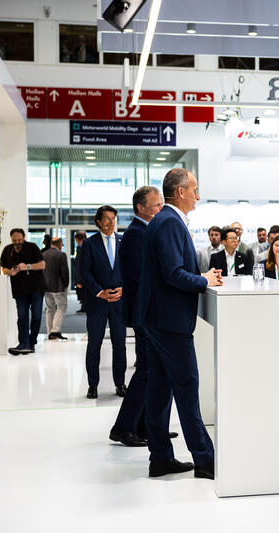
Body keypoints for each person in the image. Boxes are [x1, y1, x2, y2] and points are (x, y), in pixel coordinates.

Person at [135, 168, 222, 480]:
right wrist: (204, 279)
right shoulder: (170, 222)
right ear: (181, 192)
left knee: (159, 390)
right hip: (169, 322)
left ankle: (160, 458)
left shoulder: (165, 221)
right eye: (195, 190)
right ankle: (206, 459)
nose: (198, 196)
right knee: (186, 387)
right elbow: (173, 273)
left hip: (159, 319)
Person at [111, 185, 166, 448]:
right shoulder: (136, 234)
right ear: (140, 208)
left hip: (149, 311)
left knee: (151, 369)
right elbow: (139, 275)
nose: (160, 209)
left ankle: (143, 425)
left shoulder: (145, 231)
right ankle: (124, 427)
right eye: (156, 205)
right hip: (143, 313)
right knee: (145, 369)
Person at [81, 205, 127, 399]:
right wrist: (100, 292)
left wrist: (123, 288)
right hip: (97, 303)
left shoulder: (123, 242)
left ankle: (120, 383)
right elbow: (84, 273)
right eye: (107, 218)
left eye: (113, 218)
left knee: (120, 345)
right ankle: (93, 385)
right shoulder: (89, 244)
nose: (111, 222)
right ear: (98, 221)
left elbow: (130, 269)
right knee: (94, 345)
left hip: (118, 302)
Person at [1, 228, 46, 355]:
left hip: (36, 287)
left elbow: (42, 265)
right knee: (22, 316)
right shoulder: (7, 250)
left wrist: (28, 266)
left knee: (36, 316)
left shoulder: (32, 247)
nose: (17, 242)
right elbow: (3, 267)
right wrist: (10, 271)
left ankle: (31, 342)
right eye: (14, 240)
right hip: (19, 289)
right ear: (11, 239)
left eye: (19, 240)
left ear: (24, 237)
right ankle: (23, 343)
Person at [42, 236, 69, 340]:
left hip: (46, 287)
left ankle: (50, 332)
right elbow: (64, 272)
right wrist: (66, 284)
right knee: (62, 307)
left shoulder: (43, 254)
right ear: (59, 243)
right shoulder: (61, 255)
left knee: (50, 309)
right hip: (58, 287)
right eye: (62, 244)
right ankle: (55, 330)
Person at [73, 230, 87, 314]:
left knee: (83, 294)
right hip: (87, 276)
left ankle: (85, 307)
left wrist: (78, 280)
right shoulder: (89, 246)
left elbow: (78, 265)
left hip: (82, 277)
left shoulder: (81, 248)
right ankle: (84, 307)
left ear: (77, 239)